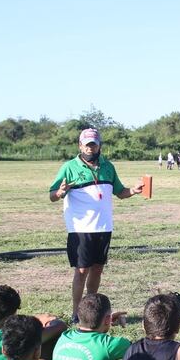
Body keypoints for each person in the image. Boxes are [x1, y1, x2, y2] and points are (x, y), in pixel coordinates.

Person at [49, 128, 143, 321]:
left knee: (98, 269)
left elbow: (120, 191)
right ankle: (76, 313)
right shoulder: (69, 167)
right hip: (81, 229)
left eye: (94, 144)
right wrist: (60, 192)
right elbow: (52, 195)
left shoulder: (108, 166)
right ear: (80, 145)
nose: (90, 148)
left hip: (104, 227)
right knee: (81, 271)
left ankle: (90, 311)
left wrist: (133, 190)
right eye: (87, 144)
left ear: (99, 145)